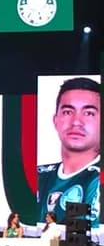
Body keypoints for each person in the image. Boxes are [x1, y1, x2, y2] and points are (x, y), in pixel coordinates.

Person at [38, 77, 100, 224]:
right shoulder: (39, 176)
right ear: (55, 120)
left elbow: (82, 240)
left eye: (89, 113)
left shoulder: (97, 180)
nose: (76, 122)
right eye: (67, 112)